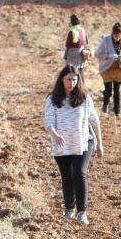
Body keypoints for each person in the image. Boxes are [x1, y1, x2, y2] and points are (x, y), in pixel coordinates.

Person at [43, 65, 104, 226]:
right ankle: (69, 209)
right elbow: (48, 122)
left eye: (75, 80)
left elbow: (94, 120)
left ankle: (82, 212)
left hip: (83, 142)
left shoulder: (84, 99)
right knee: (66, 176)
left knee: (79, 173)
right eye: (69, 79)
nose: (72, 83)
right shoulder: (52, 99)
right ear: (62, 80)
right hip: (61, 144)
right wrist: (55, 135)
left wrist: (100, 143)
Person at [96, 22, 121, 115]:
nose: (117, 37)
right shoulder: (106, 40)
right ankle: (105, 103)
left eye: (119, 35)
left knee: (117, 91)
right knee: (108, 90)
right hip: (107, 68)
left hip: (119, 68)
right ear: (112, 33)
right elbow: (98, 54)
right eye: (115, 35)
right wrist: (109, 56)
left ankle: (117, 111)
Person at [64, 14, 89, 78]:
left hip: (72, 56)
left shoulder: (71, 32)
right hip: (82, 55)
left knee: (72, 73)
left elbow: (67, 46)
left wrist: (65, 56)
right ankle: (83, 86)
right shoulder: (83, 31)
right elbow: (87, 42)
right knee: (81, 72)